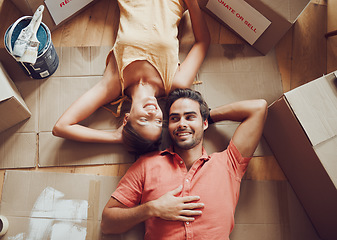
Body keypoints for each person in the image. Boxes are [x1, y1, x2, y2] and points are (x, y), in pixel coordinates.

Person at [101, 88, 268, 239]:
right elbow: (107, 224)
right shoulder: (146, 165)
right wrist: (152, 208)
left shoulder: (229, 163)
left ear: (204, 123)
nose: (182, 124)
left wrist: (208, 116)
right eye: (175, 118)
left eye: (190, 117)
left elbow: (258, 108)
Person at [52, 0, 210, 154]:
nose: (153, 113)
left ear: (126, 119)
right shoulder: (176, 82)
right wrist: (192, 3)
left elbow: (61, 127)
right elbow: (203, 42)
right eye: (157, 121)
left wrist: (115, 137)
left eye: (143, 120)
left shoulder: (113, 84)